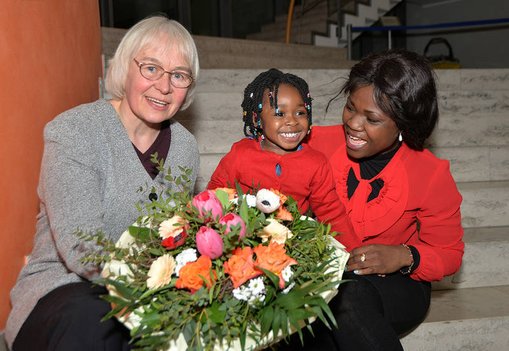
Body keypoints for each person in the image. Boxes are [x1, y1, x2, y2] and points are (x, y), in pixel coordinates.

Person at [5, 15, 200, 350]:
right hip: (65, 290)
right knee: (101, 323)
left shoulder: (185, 148)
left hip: (149, 293)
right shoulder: (75, 131)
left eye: (178, 75)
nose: (164, 87)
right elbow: (83, 249)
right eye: (151, 68)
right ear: (125, 67)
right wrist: (150, 291)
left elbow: (174, 237)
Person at [280, 49, 465, 350]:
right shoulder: (315, 144)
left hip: (397, 285)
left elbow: (450, 254)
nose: (354, 123)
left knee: (344, 298)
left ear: (403, 124)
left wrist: (404, 256)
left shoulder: (430, 173)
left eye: (372, 119)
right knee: (304, 319)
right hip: (324, 278)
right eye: (351, 108)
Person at [207, 68, 356, 247]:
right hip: (244, 241)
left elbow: (331, 211)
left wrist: (353, 250)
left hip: (295, 244)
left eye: (300, 113)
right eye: (279, 113)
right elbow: (214, 197)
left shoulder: (316, 162)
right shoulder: (241, 154)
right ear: (256, 120)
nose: (292, 121)